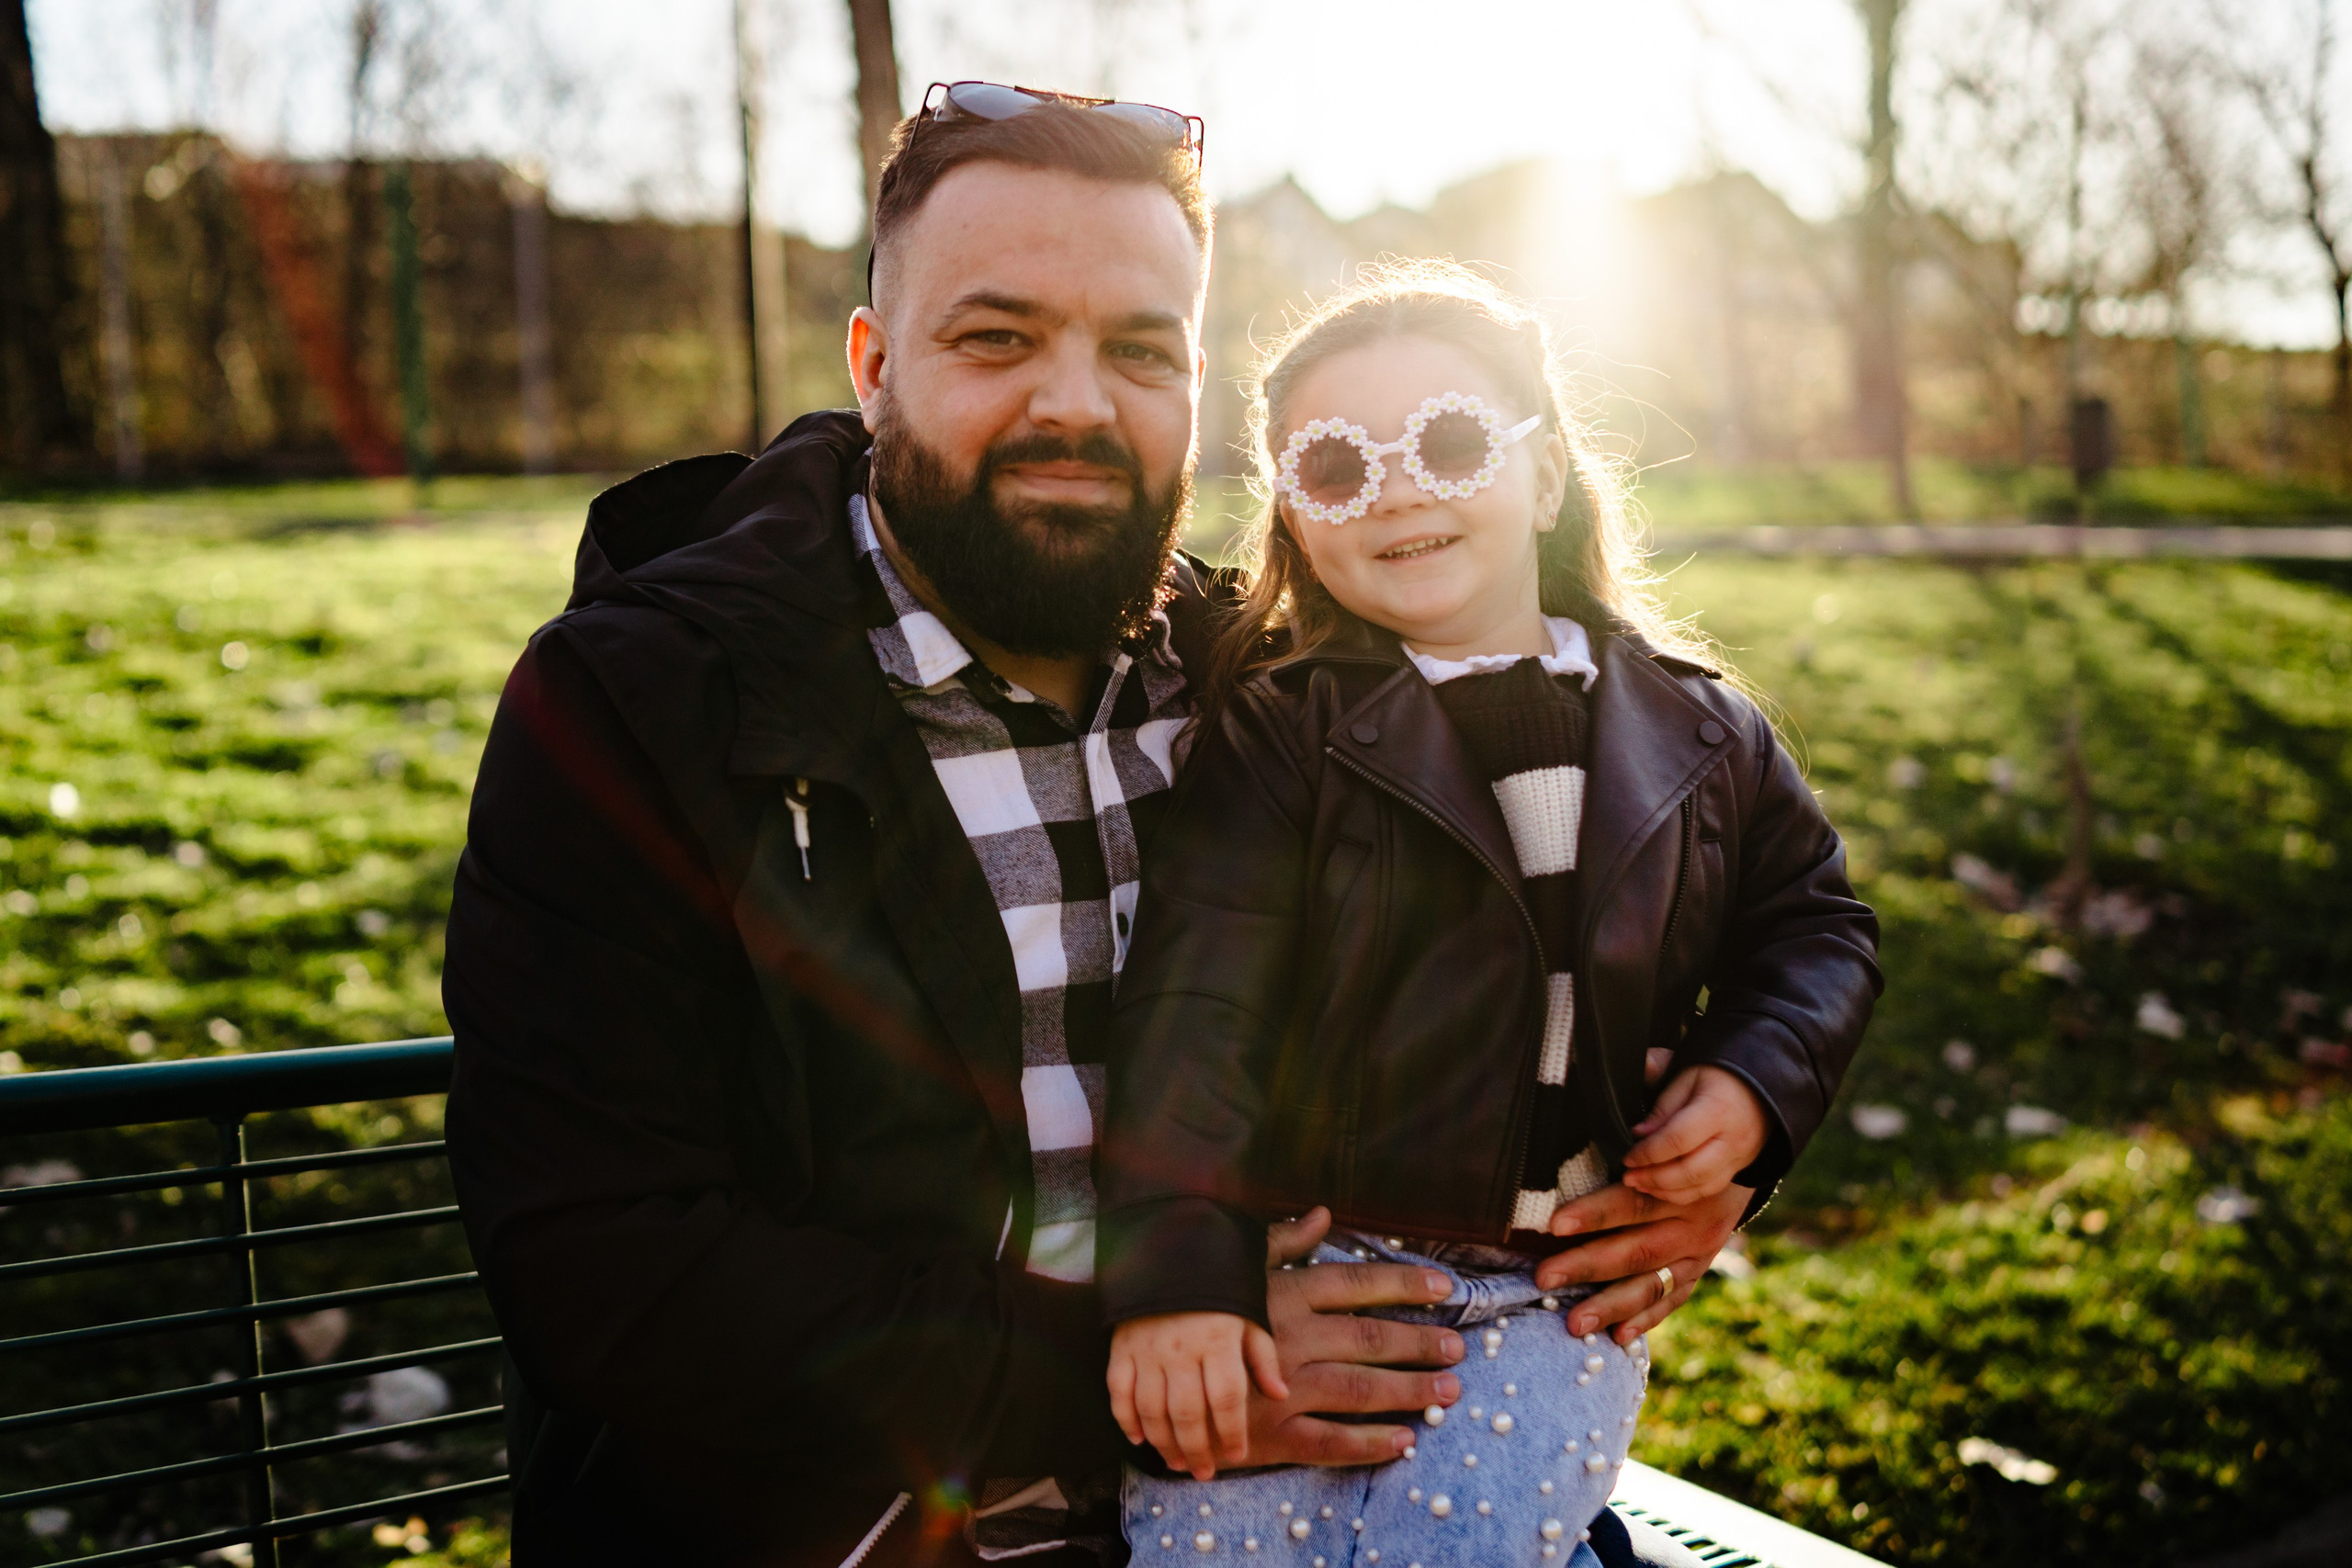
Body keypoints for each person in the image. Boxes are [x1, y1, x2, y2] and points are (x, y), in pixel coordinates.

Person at [446, 85, 1770, 1568]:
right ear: (874, 368)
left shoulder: (1284, 687)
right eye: (995, 339)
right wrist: (1142, 1376)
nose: (1075, 404)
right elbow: (606, 1274)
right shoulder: (644, 704)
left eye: (1139, 350)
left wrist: (1706, 1165)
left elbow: (1627, 922)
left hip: (1348, 1500)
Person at [1097, 262, 1883, 1566]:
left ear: (1547, 476)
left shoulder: (1700, 733)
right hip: (1310, 1261)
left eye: (1452, 444)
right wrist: (1179, 1279)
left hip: (1553, 1293)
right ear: (1295, 519)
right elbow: (1196, 1012)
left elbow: (1815, 926)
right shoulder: (1283, 735)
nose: (1399, 489)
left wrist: (1757, 1086)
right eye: (1338, 466)